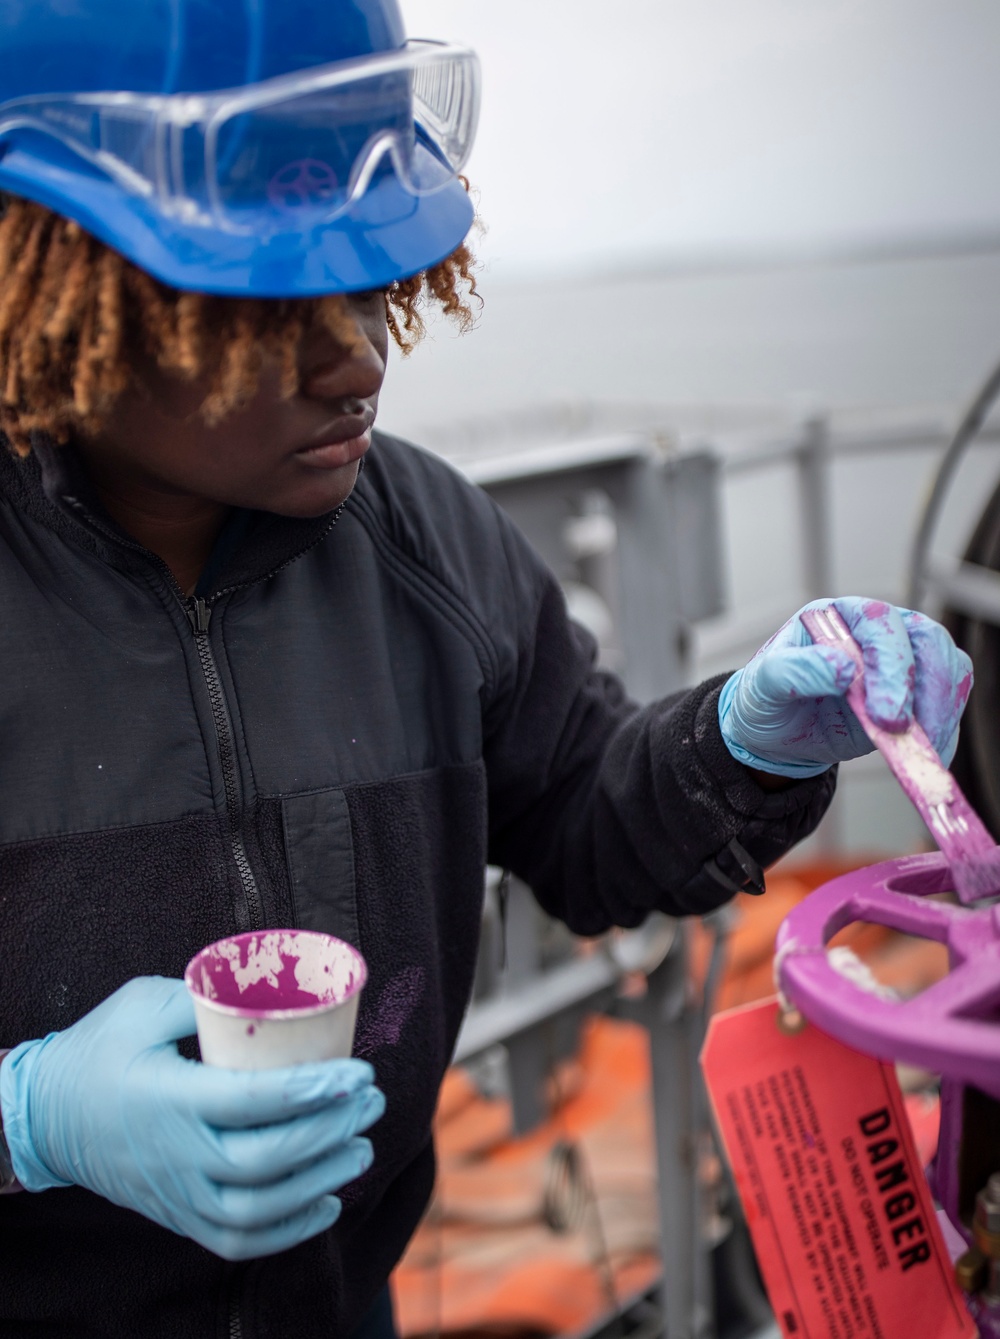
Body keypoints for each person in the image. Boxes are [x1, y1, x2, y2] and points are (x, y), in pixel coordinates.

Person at [0, 2, 973, 1336]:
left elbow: (586, 823)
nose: (356, 359)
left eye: (369, 280)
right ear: (63, 287)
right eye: (268, 304)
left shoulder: (428, 544)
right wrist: (29, 1117)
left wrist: (749, 740)